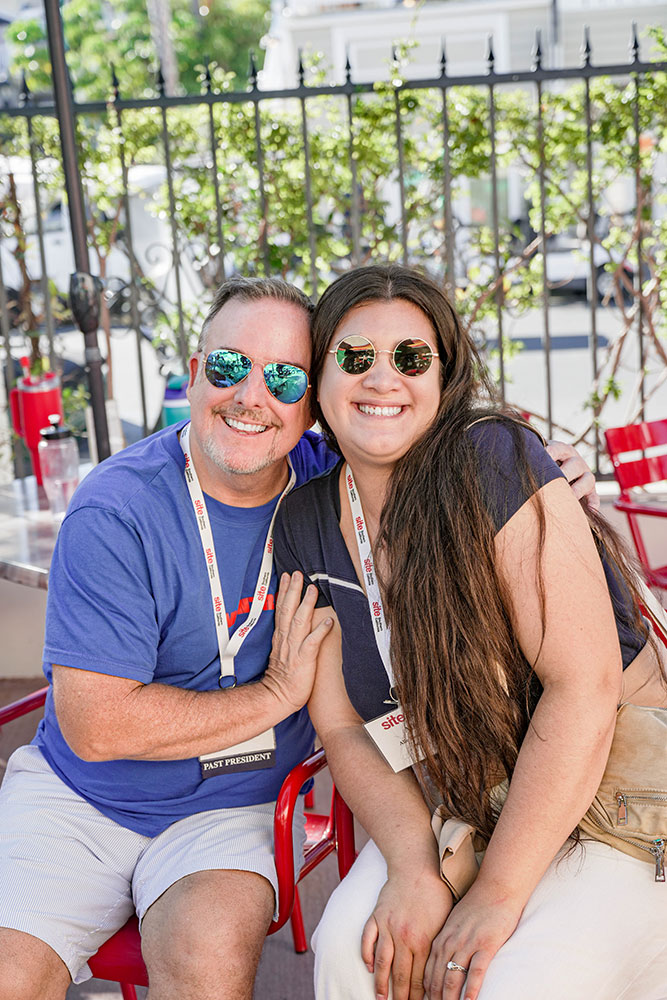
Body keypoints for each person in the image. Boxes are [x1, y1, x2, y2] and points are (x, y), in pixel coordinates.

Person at [0, 273, 597, 1000]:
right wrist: (274, 696)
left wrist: (547, 478)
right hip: (80, 801)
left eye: (284, 378)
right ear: (194, 373)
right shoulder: (116, 509)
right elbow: (96, 727)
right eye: (230, 366)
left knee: (205, 955)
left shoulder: (336, 482)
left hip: (232, 808)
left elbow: (429, 443)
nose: (252, 396)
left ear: (311, 404)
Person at [272, 263, 667, 1000]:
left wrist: (495, 894)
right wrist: (413, 869)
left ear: (443, 376)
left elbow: (583, 689)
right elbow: (345, 728)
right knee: (349, 951)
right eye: (354, 357)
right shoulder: (305, 520)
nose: (382, 378)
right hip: (470, 794)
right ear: (318, 380)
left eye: (410, 357)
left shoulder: (490, 458)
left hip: (614, 790)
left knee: (508, 982)